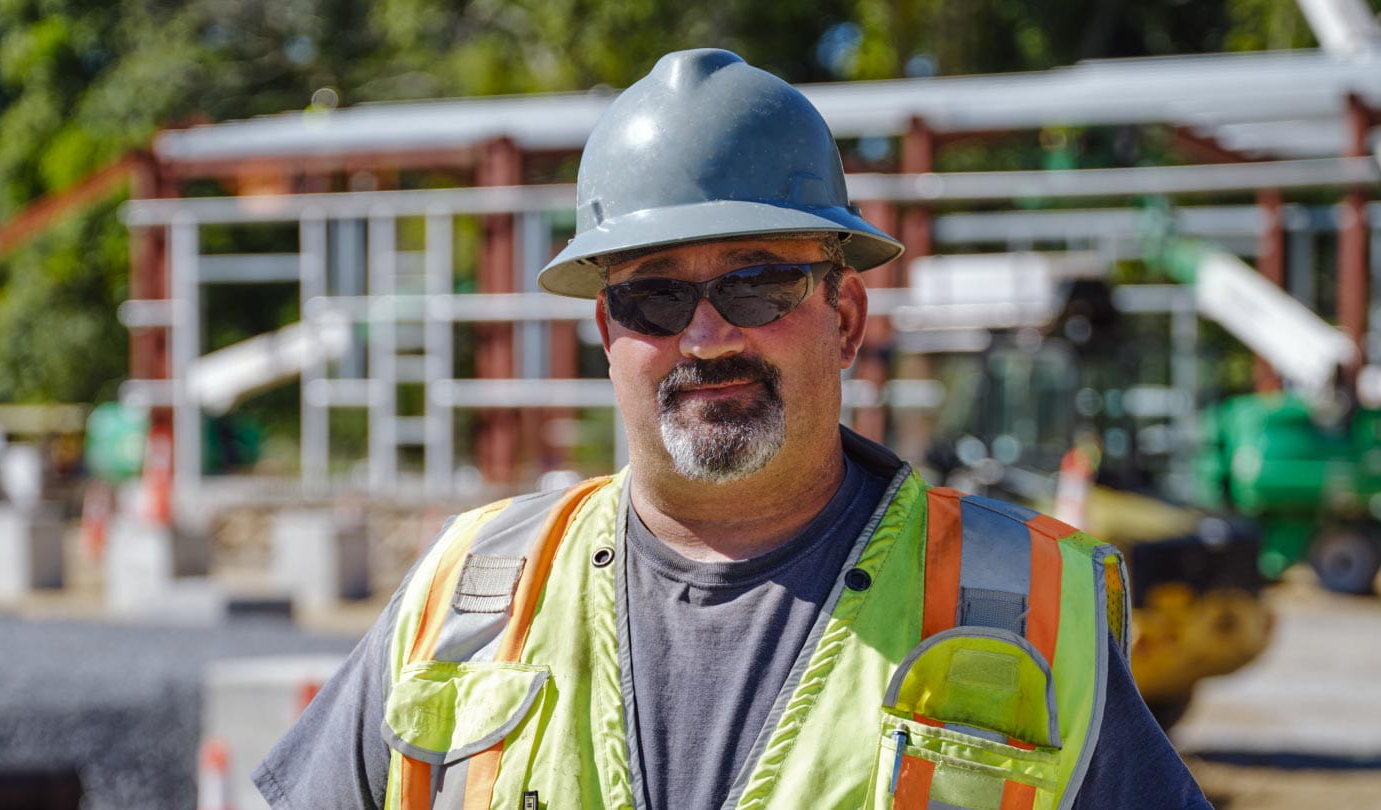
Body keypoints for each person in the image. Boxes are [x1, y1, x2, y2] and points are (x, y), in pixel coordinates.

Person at [254, 49, 1211, 810]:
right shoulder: (467, 596)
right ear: (609, 331)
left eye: (759, 282)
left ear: (844, 321)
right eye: (657, 294)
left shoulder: (1026, 609)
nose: (708, 336)